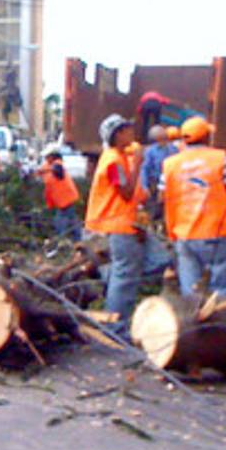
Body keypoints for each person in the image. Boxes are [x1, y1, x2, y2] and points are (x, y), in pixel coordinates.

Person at [159, 116, 226, 298]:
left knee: (191, 291)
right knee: (224, 289)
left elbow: (162, 196)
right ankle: (223, 323)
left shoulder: (170, 164)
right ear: (205, 137)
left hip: (184, 234)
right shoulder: (221, 158)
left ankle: (193, 322)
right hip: (215, 232)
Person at [85, 114, 149, 322]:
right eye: (128, 129)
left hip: (121, 225)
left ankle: (114, 314)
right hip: (115, 227)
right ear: (118, 134)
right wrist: (137, 163)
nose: (132, 132)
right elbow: (126, 192)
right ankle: (115, 326)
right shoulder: (113, 161)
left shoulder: (116, 157)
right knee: (124, 278)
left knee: (128, 272)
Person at [40, 148, 81, 239]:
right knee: (71, 219)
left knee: (61, 221)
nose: (46, 159)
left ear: (53, 156)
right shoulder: (48, 167)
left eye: (48, 157)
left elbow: (57, 170)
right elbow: (43, 173)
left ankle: (62, 239)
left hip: (66, 199)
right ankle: (76, 238)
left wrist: (46, 170)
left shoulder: (57, 165)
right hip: (64, 199)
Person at [140, 124, 176, 197]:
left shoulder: (173, 149)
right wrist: (145, 187)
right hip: (155, 184)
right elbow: (145, 169)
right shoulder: (150, 151)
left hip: (171, 183)